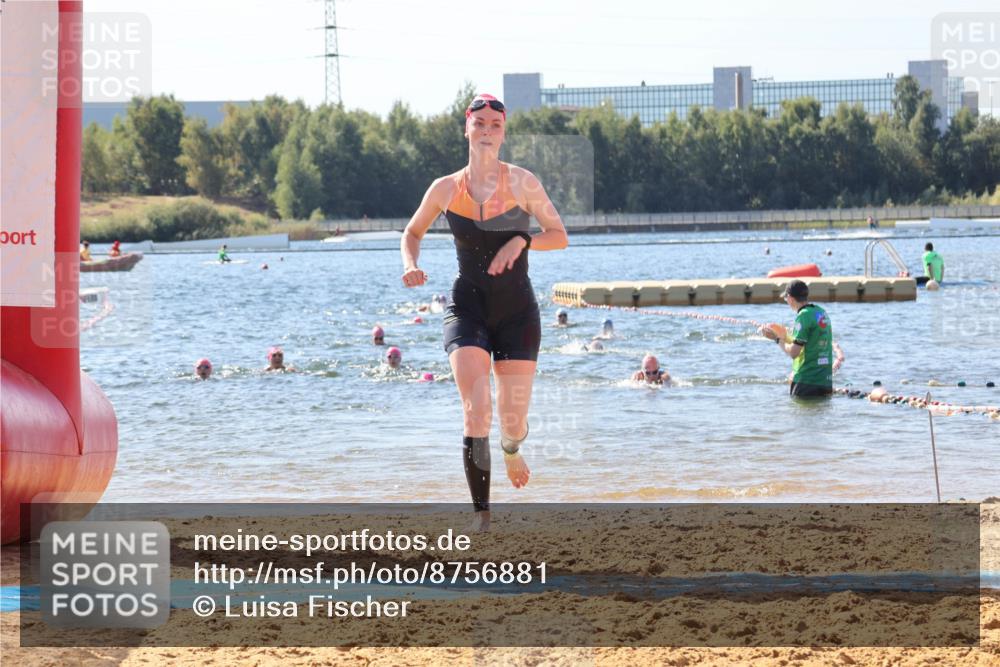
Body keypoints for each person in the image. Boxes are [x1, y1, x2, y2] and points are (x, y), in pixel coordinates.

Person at [399, 92, 569, 531]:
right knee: (477, 410)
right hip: (467, 306)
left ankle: (512, 448)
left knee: (511, 423)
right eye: (481, 124)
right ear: (467, 128)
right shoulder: (445, 188)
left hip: (517, 313)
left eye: (496, 124)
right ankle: (483, 515)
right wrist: (410, 264)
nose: (488, 131)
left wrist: (522, 240)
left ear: (504, 131)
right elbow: (412, 232)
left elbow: (559, 235)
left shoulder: (522, 183)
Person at [762, 279, 833, 398]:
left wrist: (778, 339)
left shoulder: (803, 315)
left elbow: (794, 353)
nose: (787, 302)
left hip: (806, 381)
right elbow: (810, 342)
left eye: (786, 299)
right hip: (825, 381)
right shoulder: (821, 312)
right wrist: (786, 336)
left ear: (790, 298)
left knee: (799, 415)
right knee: (820, 414)